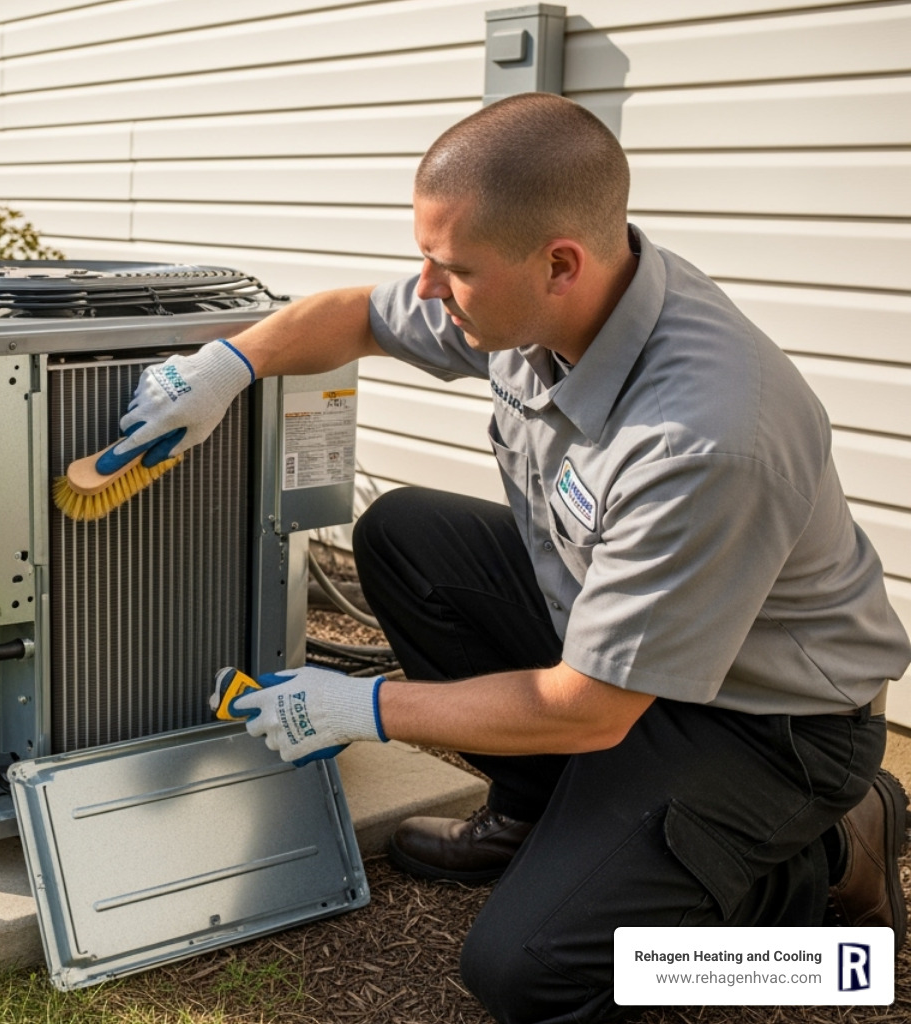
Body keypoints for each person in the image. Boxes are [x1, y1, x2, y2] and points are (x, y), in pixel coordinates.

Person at [106, 93, 911, 1023]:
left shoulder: (704, 436)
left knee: (533, 972)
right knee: (407, 538)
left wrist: (353, 705)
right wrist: (224, 367)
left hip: (766, 722)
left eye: (451, 271)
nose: (431, 289)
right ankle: (538, 817)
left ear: (559, 263)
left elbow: (591, 709)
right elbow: (356, 316)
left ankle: (825, 894)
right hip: (620, 650)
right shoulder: (542, 299)